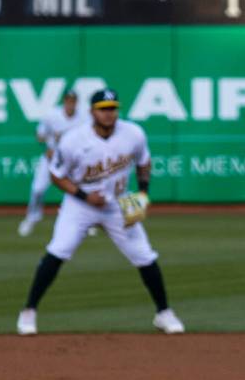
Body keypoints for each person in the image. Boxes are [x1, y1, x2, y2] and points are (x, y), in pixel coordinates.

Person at [16, 89, 184, 336]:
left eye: (112, 108)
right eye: (103, 109)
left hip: (117, 204)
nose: (108, 114)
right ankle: (29, 311)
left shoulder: (133, 134)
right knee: (58, 250)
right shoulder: (73, 139)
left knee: (144, 255)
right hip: (80, 205)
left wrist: (143, 193)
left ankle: (163, 313)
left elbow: (144, 162)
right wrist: (84, 196)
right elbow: (56, 175)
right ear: (92, 112)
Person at [18, 90, 90, 237]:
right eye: (68, 100)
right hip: (52, 157)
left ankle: (88, 221)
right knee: (38, 189)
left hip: (75, 160)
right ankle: (32, 218)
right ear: (64, 101)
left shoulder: (84, 117)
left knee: (84, 189)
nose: (71, 103)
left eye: (73, 100)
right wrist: (48, 144)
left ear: (77, 102)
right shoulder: (52, 115)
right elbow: (39, 135)